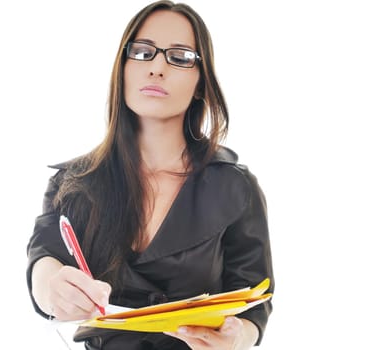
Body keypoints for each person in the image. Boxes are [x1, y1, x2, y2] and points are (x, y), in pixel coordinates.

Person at [26, 1, 274, 349]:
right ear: (123, 68)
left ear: (202, 82)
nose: (157, 67)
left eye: (181, 57)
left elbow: (255, 305)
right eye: (142, 53)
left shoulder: (235, 187)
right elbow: (44, 259)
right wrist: (51, 289)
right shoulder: (73, 182)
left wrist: (239, 338)